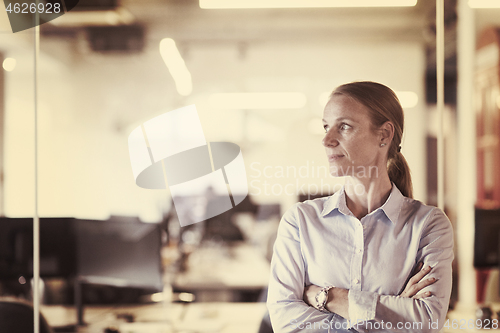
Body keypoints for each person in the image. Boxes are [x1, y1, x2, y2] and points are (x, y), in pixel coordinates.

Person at [266, 81, 453, 333]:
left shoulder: (428, 224)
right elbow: (286, 322)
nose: (326, 140)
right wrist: (394, 314)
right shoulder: (300, 221)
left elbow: (428, 320)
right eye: (325, 127)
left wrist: (328, 297)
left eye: (344, 126)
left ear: (384, 135)